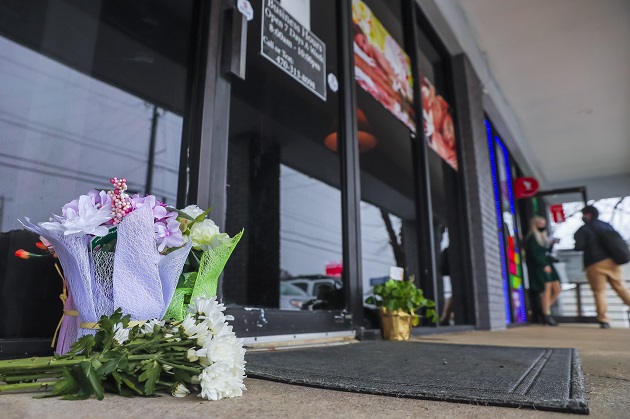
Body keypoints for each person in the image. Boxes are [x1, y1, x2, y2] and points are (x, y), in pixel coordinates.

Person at [574, 205, 630, 329]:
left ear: (587, 215)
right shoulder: (606, 225)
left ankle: (603, 319)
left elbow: (579, 246)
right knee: (621, 289)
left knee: (599, 292)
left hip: (595, 263)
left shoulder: (584, 229)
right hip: (613, 262)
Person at [524, 216, 561, 326]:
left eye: (544, 223)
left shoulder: (543, 236)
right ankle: (546, 315)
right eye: (540, 223)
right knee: (547, 289)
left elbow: (544, 251)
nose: (543, 226)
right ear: (535, 224)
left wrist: (551, 245)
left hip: (548, 264)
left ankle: (544, 310)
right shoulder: (532, 237)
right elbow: (534, 254)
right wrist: (543, 264)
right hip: (541, 266)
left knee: (557, 289)